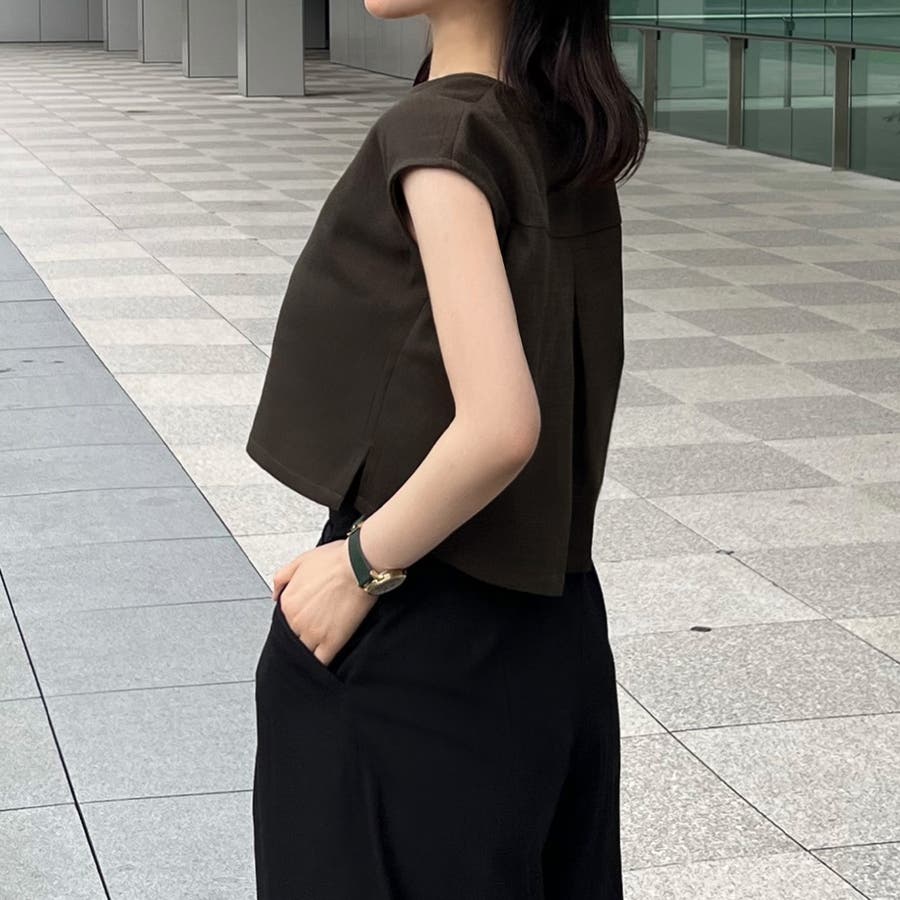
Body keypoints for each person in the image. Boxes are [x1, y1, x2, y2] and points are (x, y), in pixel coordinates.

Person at [245, 0, 647, 896]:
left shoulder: (442, 130)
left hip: (424, 634)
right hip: (553, 629)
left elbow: (501, 423)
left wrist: (357, 566)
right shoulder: (564, 131)